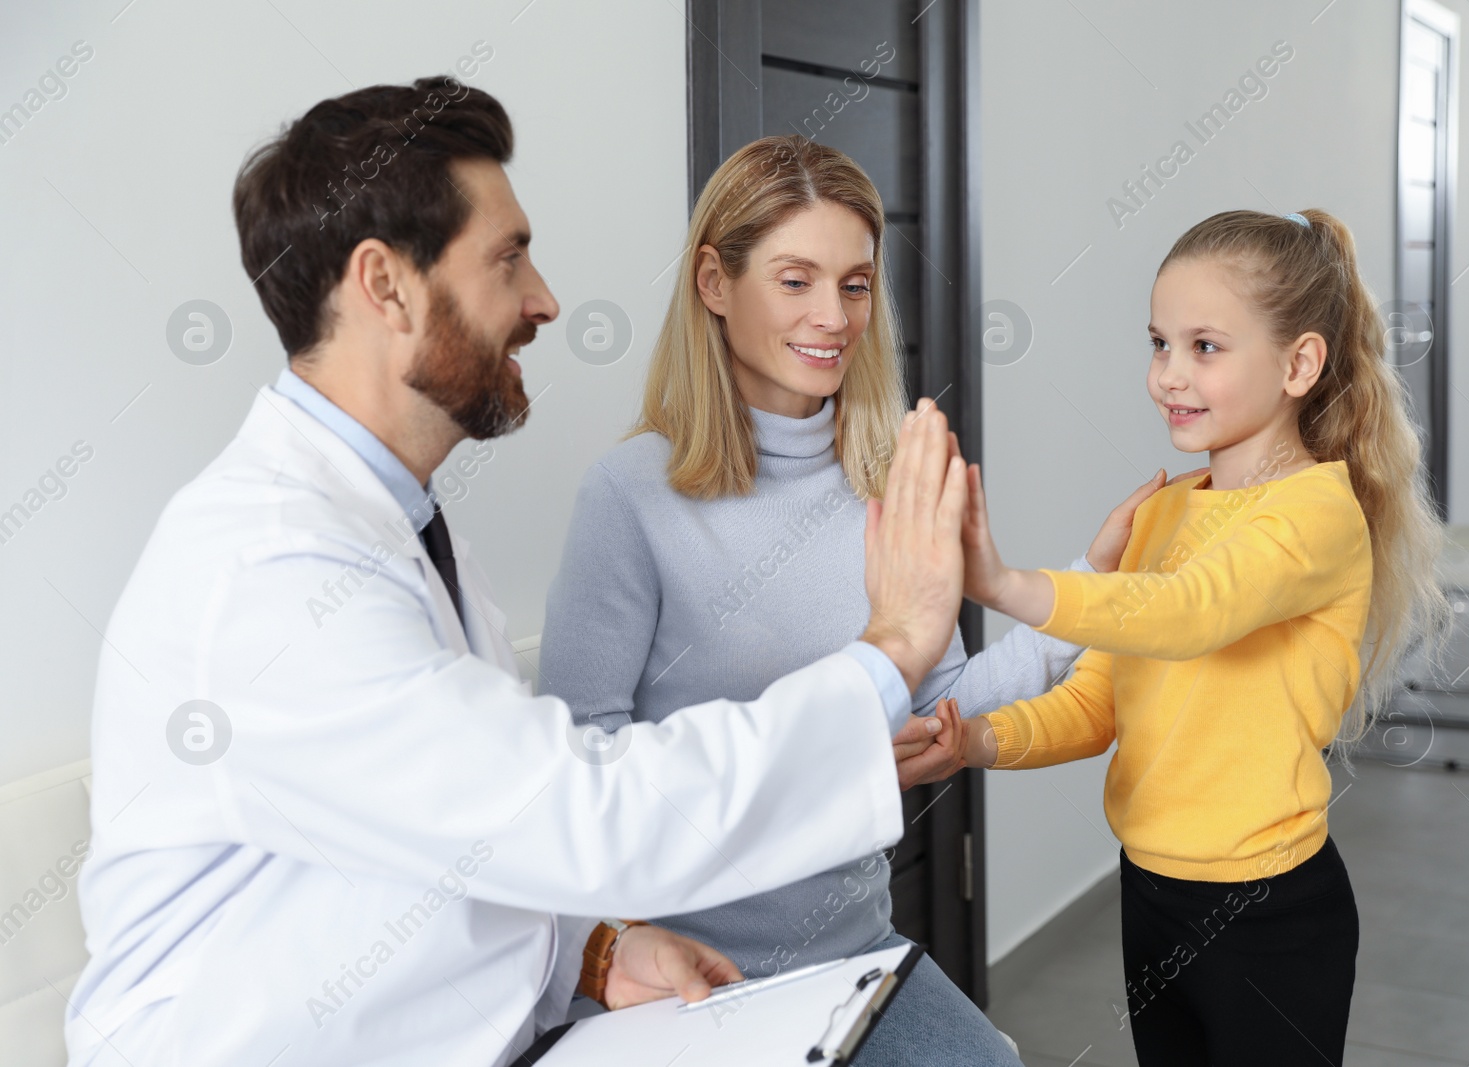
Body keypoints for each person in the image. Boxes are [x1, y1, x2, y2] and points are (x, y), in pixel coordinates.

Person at [64, 78, 974, 1067]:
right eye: (508, 259)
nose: (543, 299)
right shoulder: (270, 572)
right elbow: (593, 811)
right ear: (385, 285)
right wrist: (892, 644)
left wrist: (590, 952)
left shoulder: (393, 525)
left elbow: (458, 840)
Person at [538, 134, 1195, 1067]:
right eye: (795, 279)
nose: (834, 315)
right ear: (715, 284)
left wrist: (1086, 585)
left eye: (854, 284)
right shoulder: (631, 495)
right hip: (680, 977)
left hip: (848, 954)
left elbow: (943, 702)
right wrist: (818, 761)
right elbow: (585, 768)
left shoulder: (885, 477)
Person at [957, 209, 1449, 1064]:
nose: (1168, 376)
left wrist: (1008, 585)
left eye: (1205, 347)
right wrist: (975, 738)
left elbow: (1190, 611)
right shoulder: (1166, 510)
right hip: (1152, 891)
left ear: (1300, 363)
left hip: (1266, 913)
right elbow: (1096, 701)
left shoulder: (1316, 515)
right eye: (1159, 342)